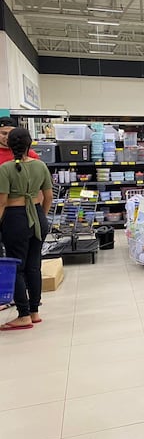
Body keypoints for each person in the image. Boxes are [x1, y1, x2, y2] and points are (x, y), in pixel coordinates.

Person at [0, 128, 53, 331]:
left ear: (10, 145)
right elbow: (48, 197)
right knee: (33, 265)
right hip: (38, 217)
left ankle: (22, 315)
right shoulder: (41, 166)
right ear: (30, 144)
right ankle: (34, 311)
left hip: (15, 219)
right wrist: (42, 216)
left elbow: (2, 203)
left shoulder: (5, 169)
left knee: (16, 267)